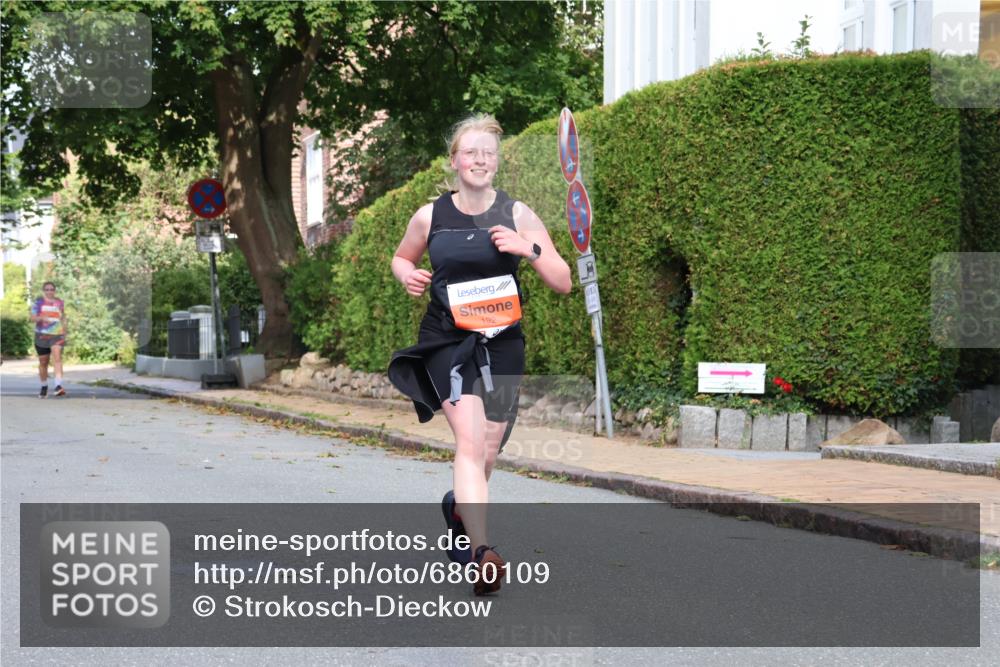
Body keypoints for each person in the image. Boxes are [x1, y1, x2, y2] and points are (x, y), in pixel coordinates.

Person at [388, 114, 571, 595]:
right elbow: (402, 256)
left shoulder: (518, 214)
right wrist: (404, 275)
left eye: (488, 152)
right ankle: (481, 552)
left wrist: (527, 248)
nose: (480, 159)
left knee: (488, 451)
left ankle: (458, 510)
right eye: (470, 152)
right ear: (454, 161)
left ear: (497, 161)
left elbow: (563, 280)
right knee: (469, 442)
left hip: (503, 345)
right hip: (447, 343)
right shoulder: (431, 216)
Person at [30, 281, 68, 398]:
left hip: (57, 335)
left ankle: (58, 386)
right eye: (47, 289)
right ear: (43, 291)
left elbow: (63, 317)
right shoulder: (38, 302)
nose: (49, 291)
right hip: (41, 335)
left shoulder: (59, 302)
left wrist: (65, 330)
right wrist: (42, 317)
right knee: (43, 362)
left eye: (52, 289)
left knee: (57, 358)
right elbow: (32, 318)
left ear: (54, 291)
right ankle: (44, 386)